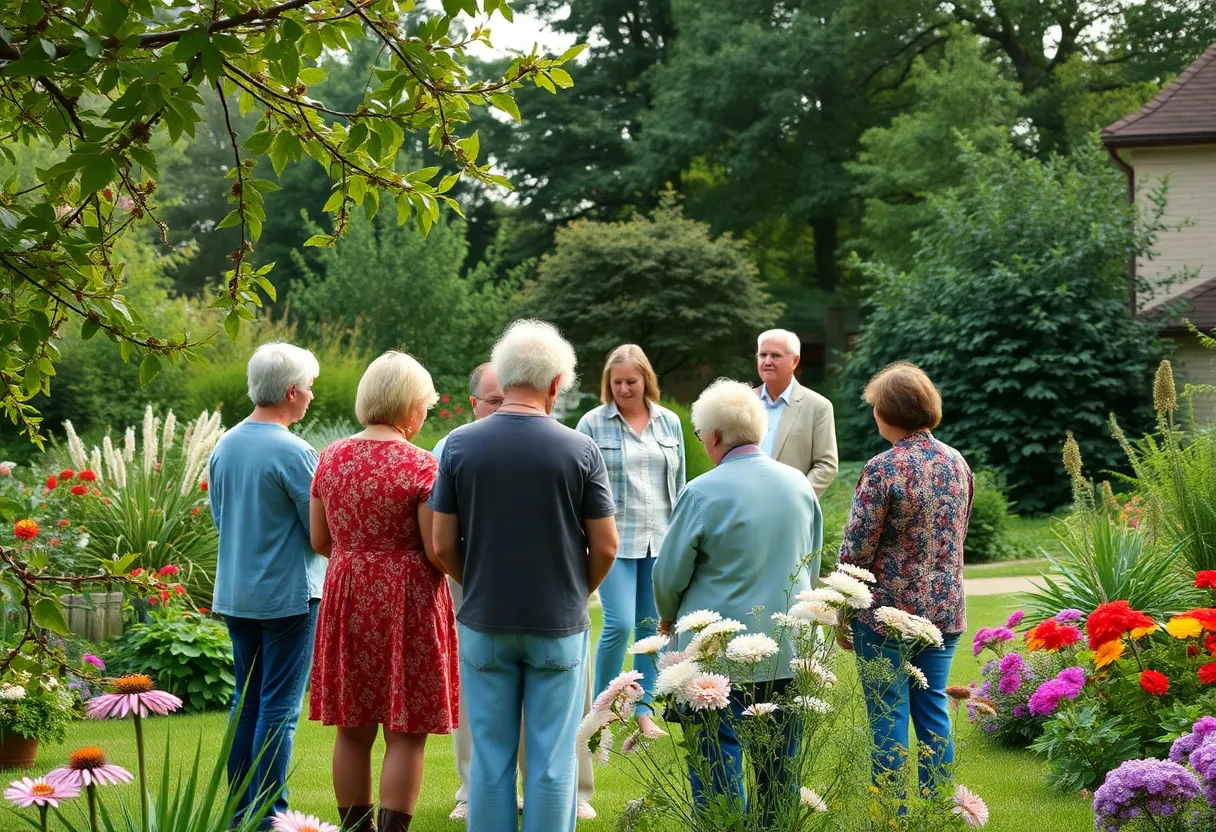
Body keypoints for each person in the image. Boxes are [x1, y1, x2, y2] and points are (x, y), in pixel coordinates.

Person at [429, 319, 619, 832]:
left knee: (489, 761)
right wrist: (577, 588)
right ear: (556, 383)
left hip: (484, 618)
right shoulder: (580, 449)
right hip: (557, 622)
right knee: (554, 759)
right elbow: (605, 545)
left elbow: (441, 544)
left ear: (505, 375)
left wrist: (476, 582)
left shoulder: (459, 447)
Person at [653, 379, 822, 826]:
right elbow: (813, 562)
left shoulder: (702, 491)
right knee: (779, 766)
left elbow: (669, 573)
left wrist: (668, 617)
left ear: (712, 436)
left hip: (714, 652)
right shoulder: (799, 486)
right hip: (785, 645)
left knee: (715, 764)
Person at [308, 351, 457, 832]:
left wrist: (360, 561)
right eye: (426, 405)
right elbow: (436, 549)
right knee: (405, 732)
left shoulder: (330, 457)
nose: (425, 414)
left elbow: (319, 539)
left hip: (347, 594)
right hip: (407, 599)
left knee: (352, 731)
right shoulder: (421, 465)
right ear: (410, 406)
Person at [838, 361, 972, 799]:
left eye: (876, 406)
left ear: (887, 412)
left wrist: (842, 610)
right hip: (944, 611)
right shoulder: (957, 462)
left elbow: (856, 551)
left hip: (886, 617)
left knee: (887, 714)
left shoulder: (883, 468)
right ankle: (936, 810)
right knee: (933, 710)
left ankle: (891, 816)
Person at [208, 342, 325, 825]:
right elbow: (321, 533)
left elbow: (222, 520)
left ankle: (240, 814)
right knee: (279, 708)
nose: (312, 398)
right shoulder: (297, 453)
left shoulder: (224, 444)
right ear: (292, 391)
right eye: (310, 389)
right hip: (287, 596)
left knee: (246, 702)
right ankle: (271, 816)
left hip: (236, 594)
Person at [576, 345, 685, 740]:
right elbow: (579, 486)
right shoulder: (591, 424)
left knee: (650, 630)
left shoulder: (669, 423)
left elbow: (680, 485)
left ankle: (642, 710)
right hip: (614, 541)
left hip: (661, 539)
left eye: (631, 382)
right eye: (616, 382)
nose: (623, 388)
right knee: (618, 624)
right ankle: (601, 710)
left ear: (646, 381)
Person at [755, 328, 838, 500]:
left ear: (795, 361)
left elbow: (826, 465)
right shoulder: (742, 402)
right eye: (763, 355)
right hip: (743, 507)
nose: (767, 361)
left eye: (775, 356)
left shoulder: (818, 406)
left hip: (790, 511)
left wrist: (796, 499)